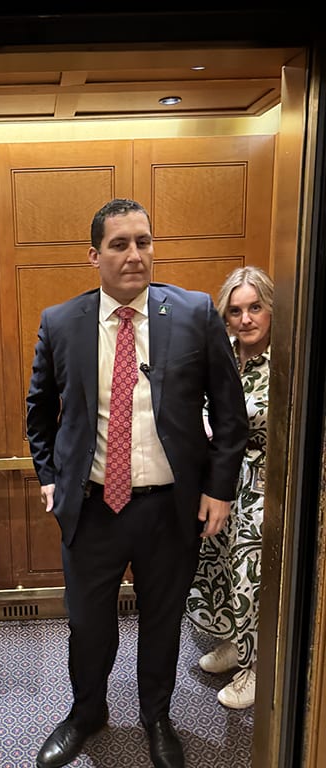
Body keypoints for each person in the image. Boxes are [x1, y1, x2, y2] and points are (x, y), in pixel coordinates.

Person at [26, 198, 249, 768]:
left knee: (162, 621)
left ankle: (156, 716)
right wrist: (50, 477)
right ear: (94, 254)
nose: (134, 255)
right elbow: (39, 412)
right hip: (93, 507)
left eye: (143, 242)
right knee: (87, 624)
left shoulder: (196, 313)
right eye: (120, 244)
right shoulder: (60, 322)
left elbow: (230, 414)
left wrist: (219, 489)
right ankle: (86, 712)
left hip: (168, 509)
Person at [186, 266, 273, 710]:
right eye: (235, 310)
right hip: (221, 480)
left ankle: (258, 667)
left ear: (271, 309)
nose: (246, 319)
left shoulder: (287, 363)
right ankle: (234, 645)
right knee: (218, 568)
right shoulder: (224, 355)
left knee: (249, 579)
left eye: (255, 307)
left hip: (263, 485)